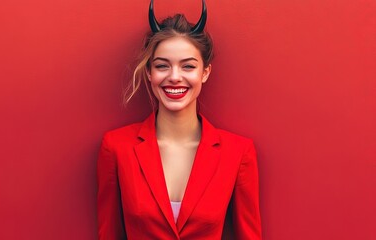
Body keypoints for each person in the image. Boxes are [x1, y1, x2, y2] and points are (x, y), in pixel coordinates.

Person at [97, 0, 262, 239]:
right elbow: (108, 234)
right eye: (162, 66)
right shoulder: (116, 147)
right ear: (149, 73)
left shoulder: (238, 153)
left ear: (205, 72)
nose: (175, 77)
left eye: (188, 66)